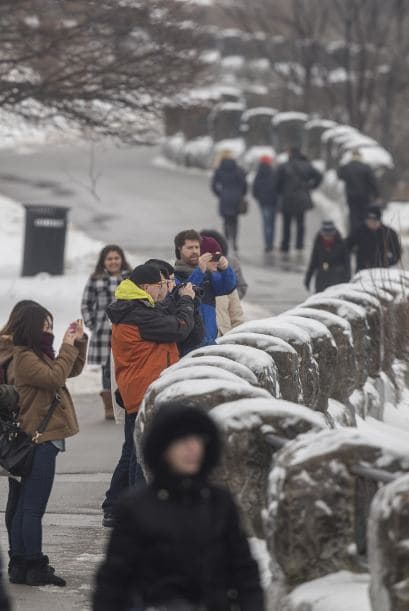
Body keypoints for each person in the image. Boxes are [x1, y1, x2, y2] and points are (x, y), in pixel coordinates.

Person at [93, 404, 265, 611]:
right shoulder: (137, 507)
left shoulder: (219, 502)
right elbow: (113, 581)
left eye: (198, 440)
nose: (193, 449)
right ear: (164, 448)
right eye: (183, 441)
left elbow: (244, 572)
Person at [101, 264, 195, 527]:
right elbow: (179, 328)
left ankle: (129, 509)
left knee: (135, 454)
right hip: (146, 392)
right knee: (143, 456)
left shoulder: (135, 309)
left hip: (142, 389)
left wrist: (176, 298)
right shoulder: (138, 314)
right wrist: (186, 301)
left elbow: (166, 321)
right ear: (145, 287)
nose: (164, 289)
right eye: (161, 285)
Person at [9, 304, 87, 587]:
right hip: (39, 441)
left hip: (37, 440)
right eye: (45, 327)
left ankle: (20, 564)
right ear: (31, 328)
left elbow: (69, 370)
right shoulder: (25, 358)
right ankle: (34, 566)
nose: (50, 332)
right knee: (32, 508)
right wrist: (67, 347)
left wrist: (77, 341)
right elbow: (55, 378)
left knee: (23, 508)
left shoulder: (38, 355)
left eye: (52, 326)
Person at [0, 300, 42, 581]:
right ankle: (19, 558)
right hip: (15, 430)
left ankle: (17, 557)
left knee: (16, 494)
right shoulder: (15, 352)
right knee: (21, 496)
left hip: (11, 430)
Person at [81, 245, 131, 421]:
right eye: (109, 259)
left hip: (125, 329)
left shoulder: (129, 278)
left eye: (116, 258)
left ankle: (125, 401)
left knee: (124, 364)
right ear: (103, 262)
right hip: (103, 332)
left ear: (122, 259)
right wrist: (92, 324)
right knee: (106, 368)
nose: (113, 262)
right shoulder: (96, 279)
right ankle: (109, 405)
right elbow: (86, 304)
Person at [174, 230, 237, 346]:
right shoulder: (175, 276)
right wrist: (200, 271)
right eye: (190, 248)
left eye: (197, 248)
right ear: (179, 249)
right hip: (187, 344)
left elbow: (228, 287)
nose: (194, 252)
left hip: (209, 339)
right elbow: (184, 294)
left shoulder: (208, 275)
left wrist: (225, 269)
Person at [145, 258, 204, 356]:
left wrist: (193, 305)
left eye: (174, 280)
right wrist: (186, 300)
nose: (174, 285)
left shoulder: (171, 302)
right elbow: (179, 331)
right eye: (169, 281)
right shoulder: (147, 309)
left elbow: (195, 339)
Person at [276, 147, 322, 255]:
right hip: (302, 198)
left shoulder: (284, 166)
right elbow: (319, 176)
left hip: (287, 198)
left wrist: (281, 192)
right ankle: (299, 245)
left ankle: (285, 246)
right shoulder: (307, 165)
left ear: (290, 154)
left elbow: (277, 182)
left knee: (286, 224)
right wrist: (311, 186)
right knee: (300, 223)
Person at [200, 229, 246, 336]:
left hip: (225, 340)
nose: (216, 261)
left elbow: (237, 319)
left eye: (218, 256)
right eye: (211, 257)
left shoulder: (226, 283)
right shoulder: (192, 281)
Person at [347, 205, 402, 272]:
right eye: (369, 221)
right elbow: (347, 247)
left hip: (382, 271)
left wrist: (387, 262)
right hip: (362, 271)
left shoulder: (389, 233)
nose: (371, 223)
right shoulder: (359, 232)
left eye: (374, 221)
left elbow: (397, 252)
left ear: (379, 220)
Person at [211, 152, 247, 252]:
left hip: (225, 197)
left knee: (226, 221)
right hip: (236, 198)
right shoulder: (238, 169)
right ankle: (234, 241)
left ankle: (226, 240)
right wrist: (241, 194)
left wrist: (220, 194)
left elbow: (214, 185)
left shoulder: (219, 170)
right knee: (235, 221)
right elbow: (244, 183)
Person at [337, 149, 380, 232]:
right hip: (364, 195)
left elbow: (340, 176)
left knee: (353, 215)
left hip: (351, 195)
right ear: (360, 157)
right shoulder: (366, 167)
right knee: (364, 214)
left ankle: (354, 233)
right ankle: (363, 232)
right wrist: (377, 194)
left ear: (352, 156)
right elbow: (372, 181)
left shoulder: (346, 167)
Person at [304, 220, 351, 293]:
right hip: (322, 278)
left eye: (330, 235)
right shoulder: (318, 243)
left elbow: (347, 264)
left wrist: (347, 280)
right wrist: (308, 279)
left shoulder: (342, 244)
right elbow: (313, 262)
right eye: (326, 235)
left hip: (337, 278)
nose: (328, 237)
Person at [252, 154, 279, 253]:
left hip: (263, 202)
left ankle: (268, 245)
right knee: (272, 223)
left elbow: (255, 189)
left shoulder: (259, 174)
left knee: (266, 224)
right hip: (273, 201)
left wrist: (259, 198)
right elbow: (278, 187)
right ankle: (271, 243)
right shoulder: (274, 172)